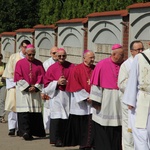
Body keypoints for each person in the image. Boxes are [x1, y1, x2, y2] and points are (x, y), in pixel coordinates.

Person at [89, 44, 124, 150]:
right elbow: (96, 84)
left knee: (119, 125)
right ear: (114, 54)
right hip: (106, 99)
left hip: (120, 99)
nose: (123, 57)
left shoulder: (124, 64)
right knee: (104, 125)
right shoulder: (102, 64)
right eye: (121, 55)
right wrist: (96, 101)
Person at [63, 50, 95, 150]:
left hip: (93, 100)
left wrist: (94, 97)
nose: (93, 60)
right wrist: (86, 97)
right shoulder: (76, 69)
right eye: (91, 58)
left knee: (91, 122)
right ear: (84, 58)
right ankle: (83, 144)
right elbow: (74, 84)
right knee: (82, 124)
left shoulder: (95, 68)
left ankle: (91, 143)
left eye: (93, 57)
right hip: (81, 102)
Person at [43, 48, 75, 147]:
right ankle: (57, 139)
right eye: (59, 56)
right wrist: (57, 82)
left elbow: (76, 81)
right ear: (56, 56)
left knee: (67, 118)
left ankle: (66, 139)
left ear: (66, 56)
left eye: (63, 56)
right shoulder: (51, 68)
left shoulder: (72, 66)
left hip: (68, 95)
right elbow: (46, 85)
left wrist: (67, 82)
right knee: (57, 118)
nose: (61, 58)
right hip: (56, 96)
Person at [14, 44, 46, 141]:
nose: (31, 56)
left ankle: (35, 131)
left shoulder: (39, 63)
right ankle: (25, 132)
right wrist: (27, 87)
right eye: (29, 55)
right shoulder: (19, 63)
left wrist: (35, 87)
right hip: (24, 92)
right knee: (24, 112)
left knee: (34, 112)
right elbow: (18, 76)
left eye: (33, 54)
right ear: (26, 53)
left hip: (34, 91)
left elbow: (42, 76)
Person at [118, 41, 144, 150]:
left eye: (142, 49)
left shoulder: (145, 62)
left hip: (142, 102)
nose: (141, 51)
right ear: (132, 51)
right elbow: (121, 84)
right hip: (129, 102)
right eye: (138, 50)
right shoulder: (126, 65)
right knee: (129, 130)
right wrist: (135, 84)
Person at [123, 47, 150, 149]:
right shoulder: (140, 57)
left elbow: (133, 78)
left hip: (143, 98)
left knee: (140, 132)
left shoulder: (139, 57)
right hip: (143, 96)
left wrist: (130, 100)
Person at [2, 39, 31, 136]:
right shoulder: (14, 57)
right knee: (12, 107)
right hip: (14, 86)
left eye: (27, 47)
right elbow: (9, 72)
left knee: (22, 108)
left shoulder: (30, 58)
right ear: (20, 47)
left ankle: (20, 129)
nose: (25, 49)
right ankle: (11, 127)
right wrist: (13, 84)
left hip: (25, 87)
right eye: (24, 47)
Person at [42, 46, 58, 131]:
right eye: (54, 53)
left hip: (58, 89)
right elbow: (44, 78)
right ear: (50, 53)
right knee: (47, 108)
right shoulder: (46, 63)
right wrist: (43, 91)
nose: (55, 55)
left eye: (57, 53)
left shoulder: (61, 62)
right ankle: (46, 127)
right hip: (49, 88)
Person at [0, 53, 6, 123]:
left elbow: (8, 73)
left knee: (2, 100)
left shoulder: (4, 65)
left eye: (0, 58)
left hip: (3, 85)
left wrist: (4, 76)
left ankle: (2, 116)